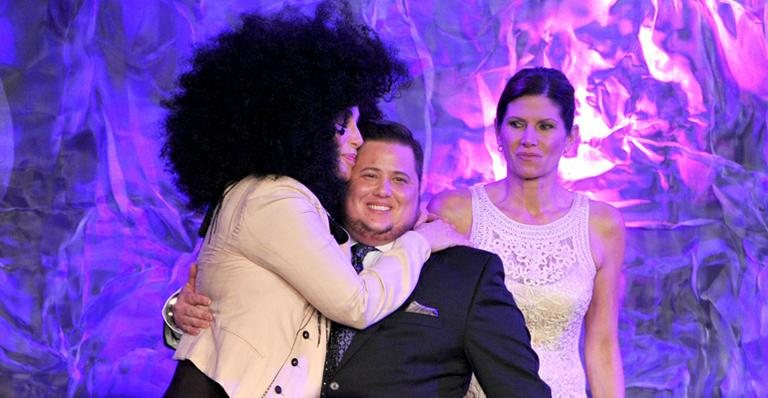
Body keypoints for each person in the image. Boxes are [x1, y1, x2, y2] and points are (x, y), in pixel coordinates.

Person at [160, 2, 462, 397]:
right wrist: (420, 242)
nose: (357, 138)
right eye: (343, 125)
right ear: (300, 124)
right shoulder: (274, 198)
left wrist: (177, 312)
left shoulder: (288, 201)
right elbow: (356, 304)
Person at [165, 120, 552, 397]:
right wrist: (178, 314)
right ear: (343, 181)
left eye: (401, 180)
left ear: (421, 192)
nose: (383, 191)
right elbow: (242, 321)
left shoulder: (467, 275)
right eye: (368, 175)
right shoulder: (301, 250)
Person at [428, 67, 626, 397]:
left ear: (571, 137)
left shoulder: (602, 225)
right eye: (517, 124)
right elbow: (428, 333)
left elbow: (602, 343)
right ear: (498, 131)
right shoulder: (456, 212)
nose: (529, 140)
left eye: (545, 126)